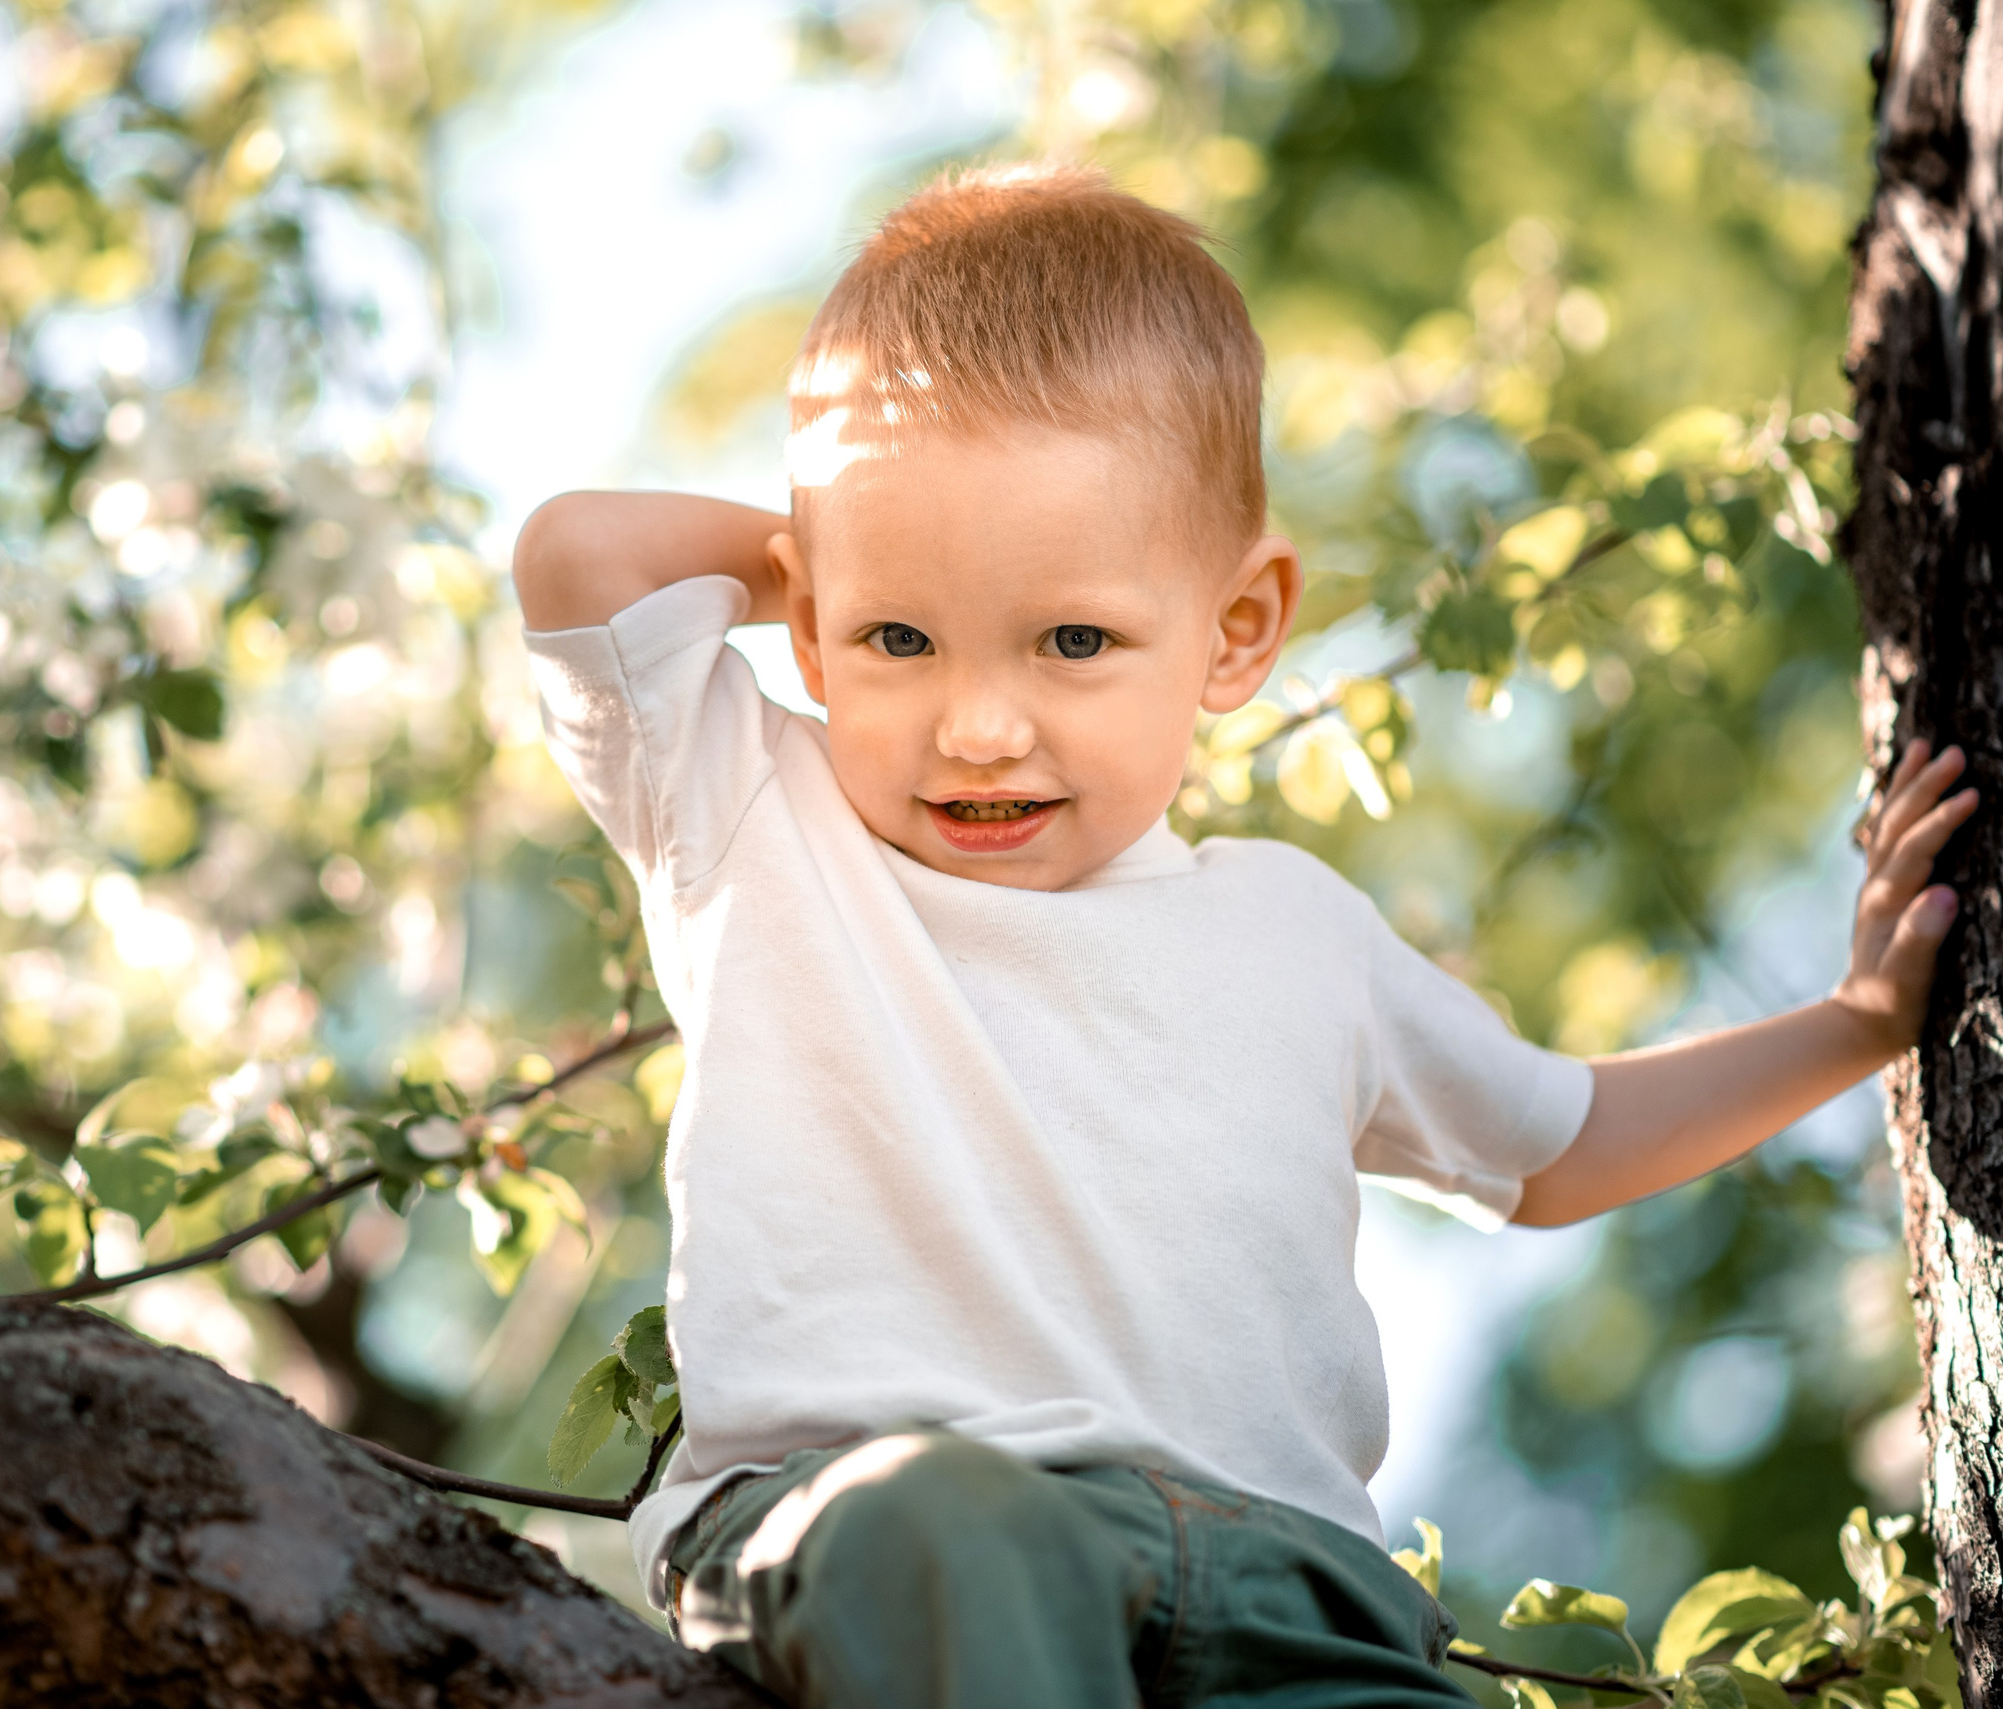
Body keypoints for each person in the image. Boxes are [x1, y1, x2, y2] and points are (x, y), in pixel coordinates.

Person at [511, 165, 1973, 1709]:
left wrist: (1859, 1021)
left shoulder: (1299, 933)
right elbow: (576, 559)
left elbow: (1558, 1144)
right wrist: (846, 543)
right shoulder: (759, 811)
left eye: (1072, 636)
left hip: (1298, 1593)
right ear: (809, 629)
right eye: (898, 638)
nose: (982, 723)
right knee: (954, 1535)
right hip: (894, 1521)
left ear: (1238, 629)